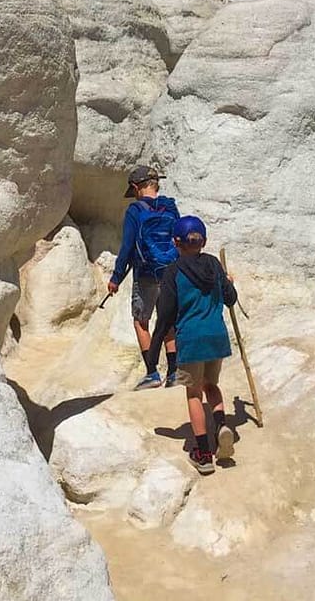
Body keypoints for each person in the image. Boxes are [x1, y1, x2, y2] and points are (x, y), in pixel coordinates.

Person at [144, 215, 238, 475]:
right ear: (203, 241)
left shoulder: (172, 273)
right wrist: (228, 284)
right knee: (212, 386)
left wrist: (152, 355)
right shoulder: (214, 265)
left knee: (194, 393)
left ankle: (203, 454)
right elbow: (230, 299)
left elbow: (165, 316)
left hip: (191, 339)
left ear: (176, 242)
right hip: (217, 336)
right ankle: (221, 427)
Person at [108, 165, 180, 389]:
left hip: (146, 274)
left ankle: (152, 374)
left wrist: (116, 278)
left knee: (141, 322)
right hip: (170, 273)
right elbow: (178, 239)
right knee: (168, 322)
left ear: (135, 187)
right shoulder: (170, 207)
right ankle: (174, 373)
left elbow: (127, 246)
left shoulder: (135, 211)